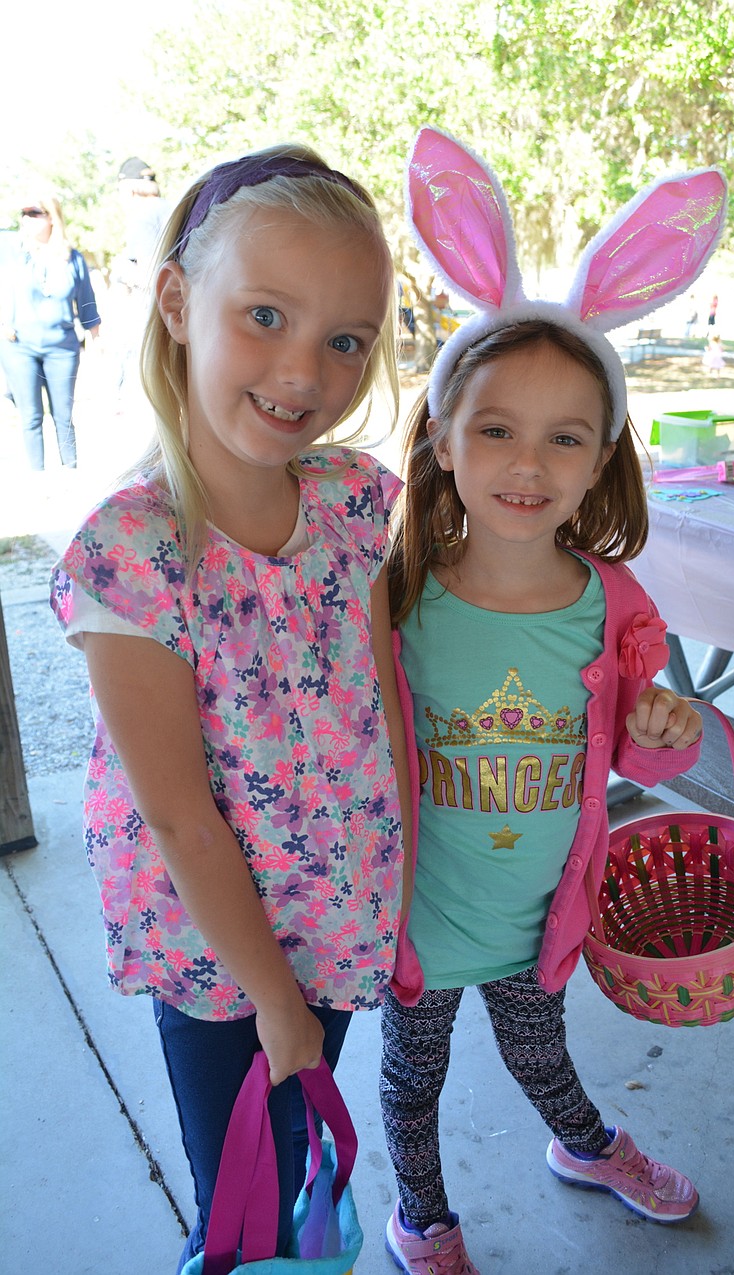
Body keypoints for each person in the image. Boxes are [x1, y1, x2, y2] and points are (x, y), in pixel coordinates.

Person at [49, 141, 410, 1272]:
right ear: (174, 303)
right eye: (265, 315)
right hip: (223, 968)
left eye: (344, 340)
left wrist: (406, 880)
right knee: (241, 1191)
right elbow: (181, 819)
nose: (304, 372)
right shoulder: (132, 554)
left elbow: (383, 699)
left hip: (342, 918)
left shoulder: (354, 506)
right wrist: (273, 1000)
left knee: (297, 1149)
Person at [379, 128, 726, 1274]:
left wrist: (662, 727)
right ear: (440, 434)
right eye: (494, 429)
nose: (526, 464)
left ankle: (585, 1145)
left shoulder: (613, 602)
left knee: (543, 1055)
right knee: (411, 1077)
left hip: (541, 916)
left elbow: (642, 750)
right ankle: (424, 1218)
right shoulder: (396, 592)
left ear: (598, 459)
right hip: (418, 923)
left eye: (562, 438)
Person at [0, 191, 101, 469]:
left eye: (34, 212)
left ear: (51, 217)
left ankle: (71, 471)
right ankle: (38, 477)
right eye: (24, 213)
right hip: (18, 346)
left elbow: (87, 302)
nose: (26, 218)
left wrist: (96, 339)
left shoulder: (72, 258)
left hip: (62, 346)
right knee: (30, 417)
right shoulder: (9, 250)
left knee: (63, 415)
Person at [111, 157, 170, 402]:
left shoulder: (144, 215)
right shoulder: (172, 207)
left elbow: (151, 276)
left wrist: (121, 273)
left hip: (150, 320)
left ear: (131, 188)